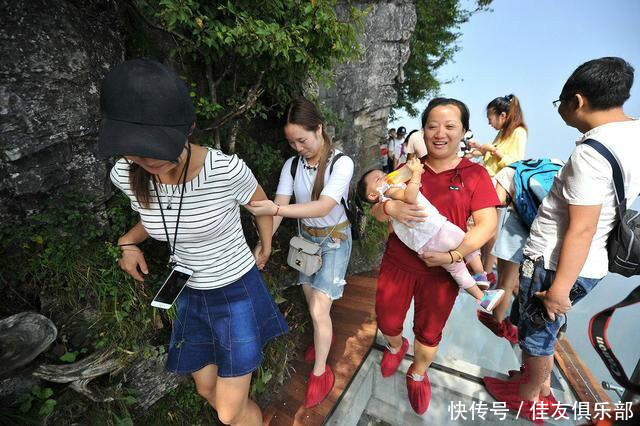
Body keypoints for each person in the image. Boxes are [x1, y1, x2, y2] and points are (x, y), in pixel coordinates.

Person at [98, 59, 288, 426]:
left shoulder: (224, 170)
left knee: (230, 412)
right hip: (189, 293)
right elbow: (156, 219)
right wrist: (128, 241)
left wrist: (264, 245)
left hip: (234, 291)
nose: (144, 158)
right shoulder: (126, 172)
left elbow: (262, 207)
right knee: (206, 391)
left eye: (153, 147)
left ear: (187, 129)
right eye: (133, 148)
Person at [483, 57, 639, 422]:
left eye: (561, 103)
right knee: (542, 329)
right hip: (591, 262)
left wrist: (559, 290)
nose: (561, 111)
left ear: (578, 101)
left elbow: (581, 228)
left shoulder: (592, 153)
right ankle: (538, 387)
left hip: (556, 265)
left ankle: (529, 398)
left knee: (538, 333)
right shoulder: (632, 136)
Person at [371, 98, 500, 415]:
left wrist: (454, 255)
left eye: (450, 126)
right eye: (432, 126)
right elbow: (376, 208)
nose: (439, 133)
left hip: (442, 272)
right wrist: (390, 207)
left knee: (428, 333)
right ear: (423, 130)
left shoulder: (475, 175)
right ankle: (395, 345)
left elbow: (487, 225)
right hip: (399, 263)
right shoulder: (407, 170)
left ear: (464, 132)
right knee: (387, 321)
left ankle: (417, 374)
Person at [245, 97, 354, 408]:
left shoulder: (340, 163)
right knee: (314, 305)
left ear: (318, 129)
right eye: (291, 142)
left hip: (334, 241)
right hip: (306, 241)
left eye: (302, 140)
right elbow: (277, 212)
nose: (297, 147)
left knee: (320, 310)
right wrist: (263, 246)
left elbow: (324, 205)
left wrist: (276, 207)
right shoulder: (292, 165)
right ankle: (324, 338)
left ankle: (321, 372)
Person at [357, 158, 502, 311]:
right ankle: (480, 274)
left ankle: (482, 297)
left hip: (423, 245)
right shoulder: (389, 190)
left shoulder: (385, 197)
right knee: (468, 242)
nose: (385, 177)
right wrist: (417, 173)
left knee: (456, 270)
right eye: (378, 179)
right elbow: (410, 197)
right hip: (436, 230)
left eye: (383, 173)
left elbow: (386, 221)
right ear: (373, 195)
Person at [468, 94, 528, 277]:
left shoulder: (518, 132)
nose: (489, 123)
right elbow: (490, 157)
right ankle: (484, 270)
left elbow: (515, 162)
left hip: (499, 185)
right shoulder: (503, 132)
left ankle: (483, 270)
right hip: (488, 182)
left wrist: (493, 150)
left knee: (485, 227)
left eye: (490, 118)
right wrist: (481, 149)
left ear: (502, 116)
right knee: (486, 227)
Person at [476, 166, 525, 344]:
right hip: (534, 231)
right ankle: (497, 316)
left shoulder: (507, 173)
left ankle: (495, 320)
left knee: (506, 281)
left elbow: (496, 201)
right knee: (510, 281)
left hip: (517, 227)